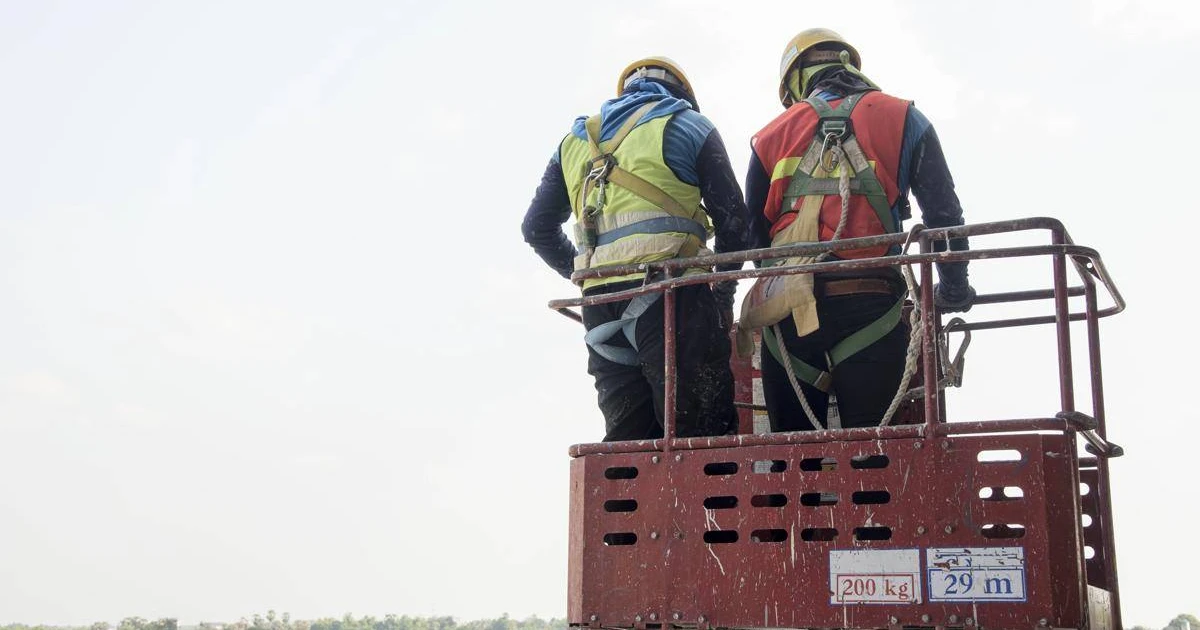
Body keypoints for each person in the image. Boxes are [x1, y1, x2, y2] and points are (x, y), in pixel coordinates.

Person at [742, 28, 976, 432]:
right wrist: (954, 289)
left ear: (795, 82)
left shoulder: (771, 135)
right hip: (873, 306)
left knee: (792, 459)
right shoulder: (905, 118)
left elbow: (753, 238)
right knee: (872, 454)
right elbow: (944, 214)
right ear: (850, 65)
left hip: (791, 314)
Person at [522, 57, 761, 442]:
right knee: (702, 437)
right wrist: (722, 294)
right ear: (682, 94)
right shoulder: (688, 124)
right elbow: (735, 223)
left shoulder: (574, 142)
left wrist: (586, 275)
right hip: (673, 297)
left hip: (602, 311)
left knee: (628, 443)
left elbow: (536, 227)